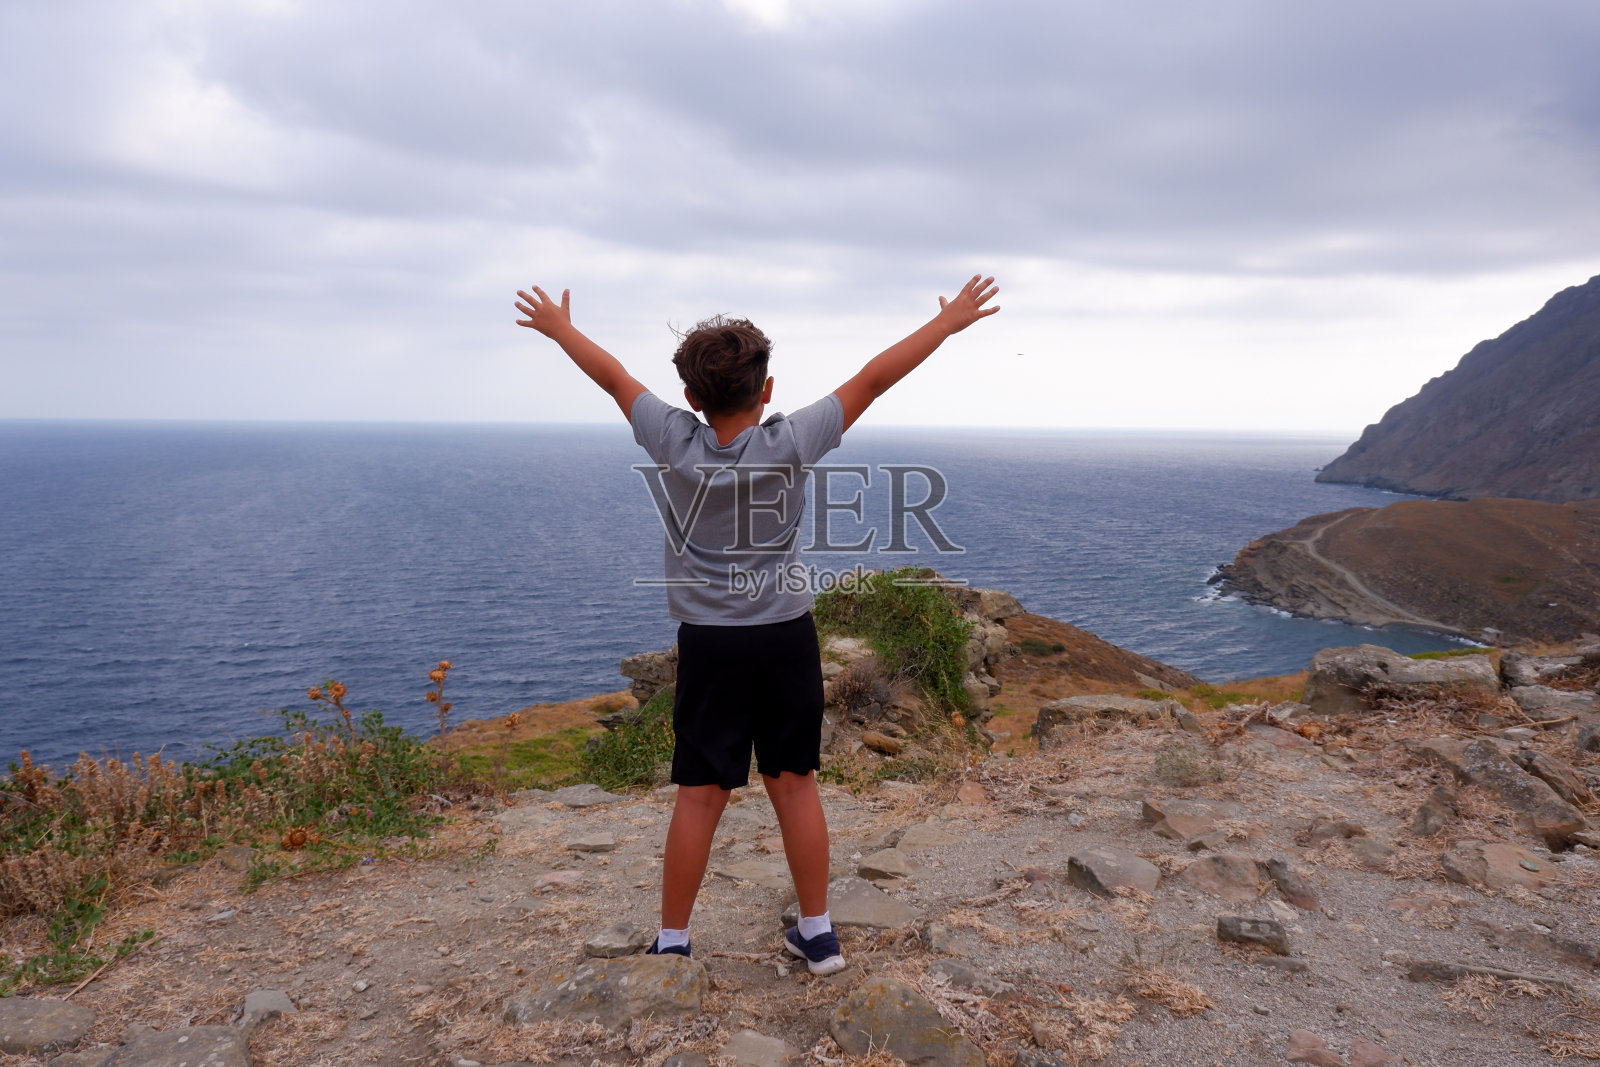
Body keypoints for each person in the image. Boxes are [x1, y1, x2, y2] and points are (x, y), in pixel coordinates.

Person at [513, 275, 1000, 975]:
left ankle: (673, 941)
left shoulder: (671, 439)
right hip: (785, 637)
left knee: (699, 794)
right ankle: (818, 933)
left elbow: (613, 377)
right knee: (794, 782)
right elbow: (874, 378)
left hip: (709, 644)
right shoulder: (792, 440)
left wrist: (560, 329)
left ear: (690, 398)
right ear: (766, 389)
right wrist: (947, 323)